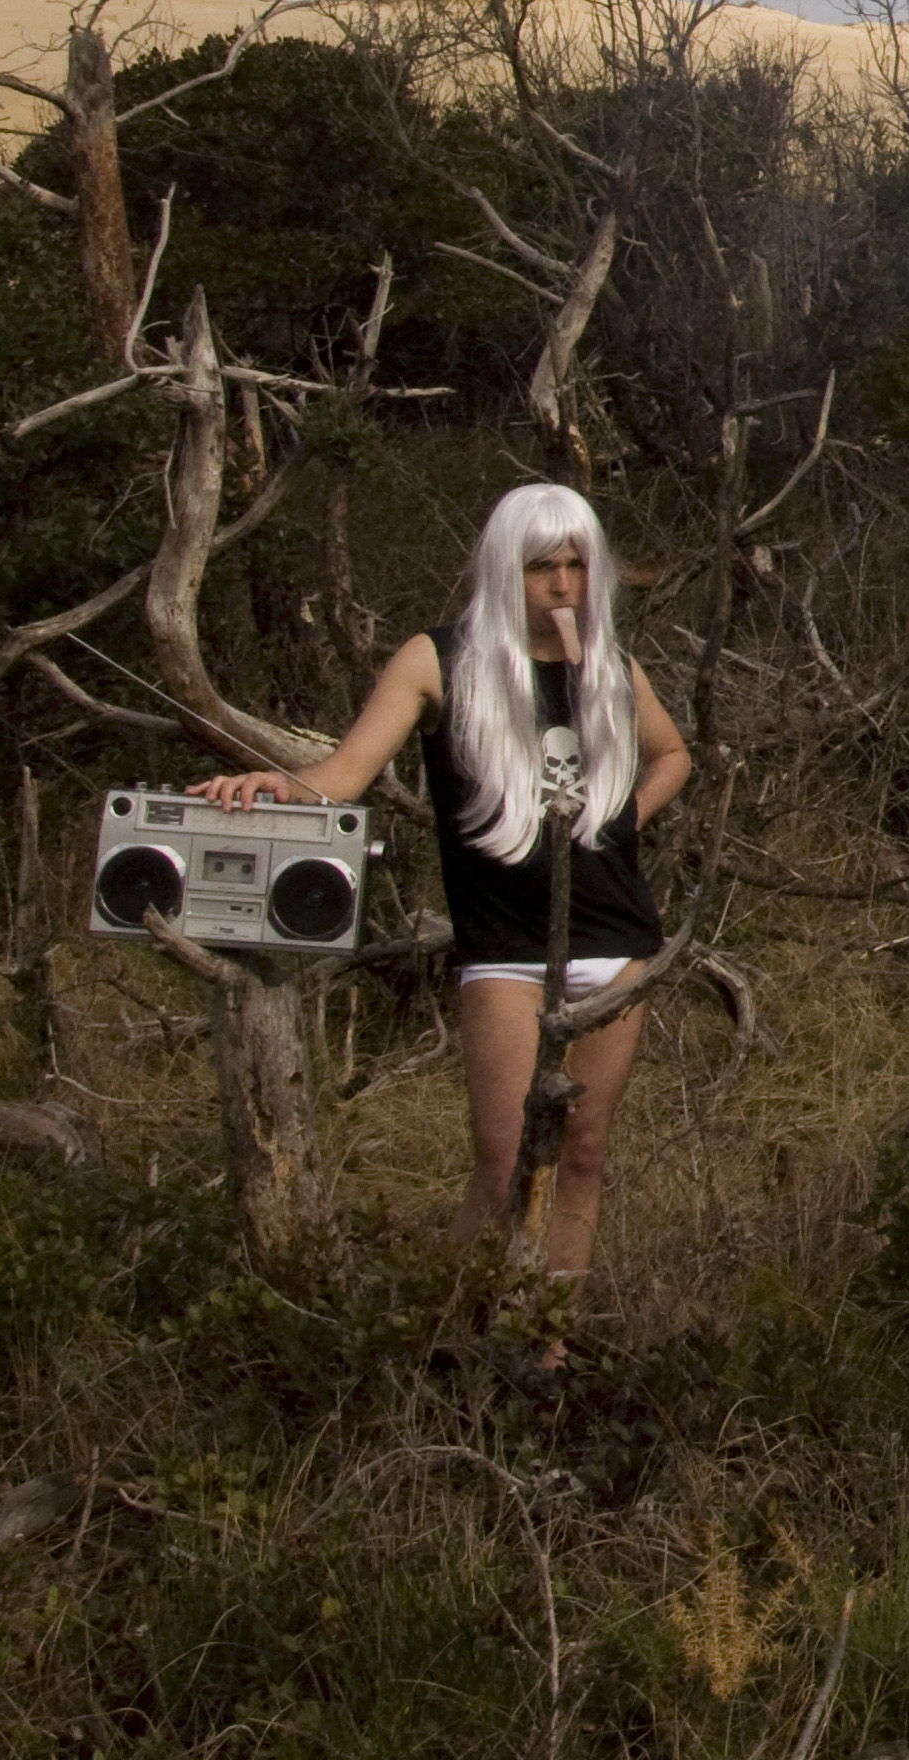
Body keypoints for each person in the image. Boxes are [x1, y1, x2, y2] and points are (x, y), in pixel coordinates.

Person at [197, 482, 691, 1281]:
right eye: (541, 567)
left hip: (614, 939)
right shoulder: (439, 659)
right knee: (503, 1168)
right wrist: (274, 788)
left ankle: (550, 1335)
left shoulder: (609, 667)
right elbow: (345, 775)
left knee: (583, 1155)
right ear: (504, 568)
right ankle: (439, 1324)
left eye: (576, 566)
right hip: (503, 948)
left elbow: (673, 754)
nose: (562, 585)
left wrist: (619, 817)